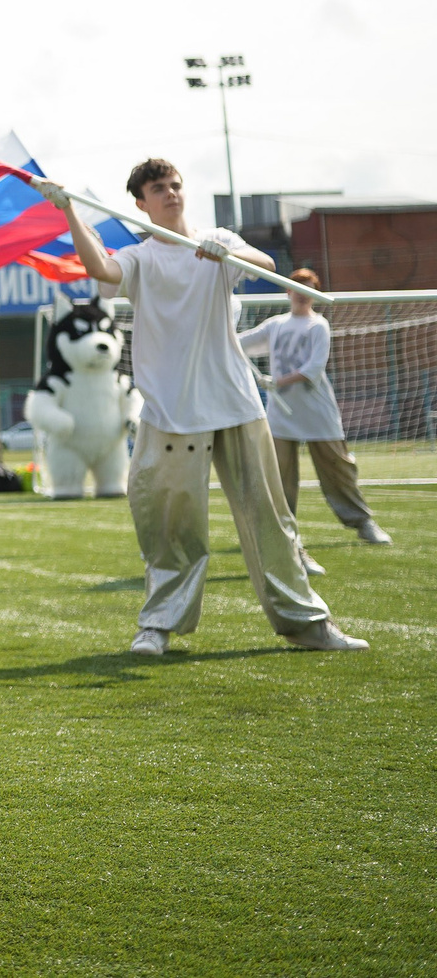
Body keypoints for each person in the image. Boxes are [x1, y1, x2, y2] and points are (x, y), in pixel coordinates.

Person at [44, 162, 366, 657]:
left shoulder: (217, 238)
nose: (171, 194)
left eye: (175, 185)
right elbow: (100, 269)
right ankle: (157, 626)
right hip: (171, 412)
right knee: (170, 525)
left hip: (236, 402)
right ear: (141, 203)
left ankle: (309, 623)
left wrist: (229, 250)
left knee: (271, 520)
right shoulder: (138, 256)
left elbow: (265, 262)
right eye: (158, 189)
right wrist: (70, 211)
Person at [241, 268, 390, 550]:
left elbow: (312, 369)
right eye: (298, 288)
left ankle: (362, 521)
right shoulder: (275, 325)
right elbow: (238, 344)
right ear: (288, 291)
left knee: (338, 467)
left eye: (309, 289)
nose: (302, 294)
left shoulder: (318, 326)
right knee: (279, 474)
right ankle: (284, 532)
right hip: (281, 415)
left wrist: (277, 381)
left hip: (318, 412)